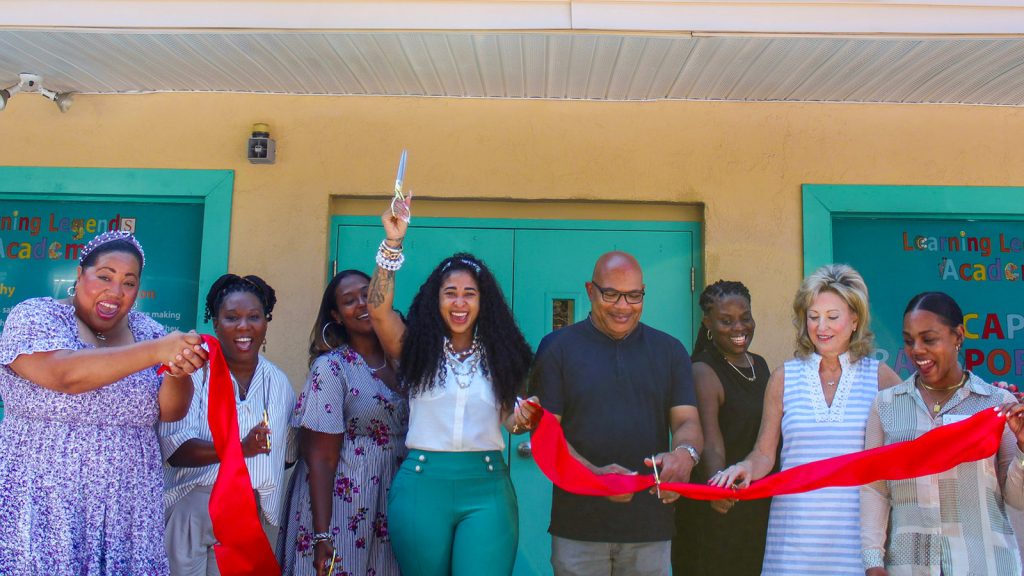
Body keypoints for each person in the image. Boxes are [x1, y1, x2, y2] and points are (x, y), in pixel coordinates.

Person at [0, 230, 206, 575]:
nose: (115, 291)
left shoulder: (149, 331)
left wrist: (178, 372)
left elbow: (170, 410)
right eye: (104, 276)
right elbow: (65, 375)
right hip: (43, 498)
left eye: (129, 282)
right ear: (80, 275)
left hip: (127, 507)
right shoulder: (36, 317)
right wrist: (157, 352)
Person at [367, 196, 538, 576]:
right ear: (436, 300)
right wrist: (392, 242)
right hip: (421, 487)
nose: (459, 303)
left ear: (483, 303)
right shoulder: (414, 349)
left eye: (469, 294)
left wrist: (526, 418)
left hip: (487, 487)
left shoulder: (502, 356)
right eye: (451, 293)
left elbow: (511, 422)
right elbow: (378, 311)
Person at [710, 263, 902, 575]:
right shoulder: (785, 377)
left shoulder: (879, 377)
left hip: (855, 542)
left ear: (855, 319)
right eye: (813, 317)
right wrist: (743, 467)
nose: (821, 327)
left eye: (832, 317)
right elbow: (764, 453)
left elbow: (919, 436)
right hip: (793, 540)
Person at [531, 250, 703, 576]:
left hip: (649, 526)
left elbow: (687, 421)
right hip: (579, 526)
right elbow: (544, 433)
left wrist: (686, 454)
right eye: (611, 294)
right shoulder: (557, 348)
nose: (623, 306)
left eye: (634, 296)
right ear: (590, 290)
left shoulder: (670, 351)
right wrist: (595, 476)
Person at [861, 291, 1024, 576]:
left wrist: (1023, 448)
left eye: (929, 339)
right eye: (909, 341)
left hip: (984, 564)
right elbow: (874, 489)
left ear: (958, 336)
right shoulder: (886, 406)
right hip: (910, 567)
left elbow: (1016, 499)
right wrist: (873, 561)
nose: (917, 350)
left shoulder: (995, 404)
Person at [160, 273, 296, 575]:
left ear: (266, 322)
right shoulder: (194, 372)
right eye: (232, 317)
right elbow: (175, 449)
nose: (244, 326)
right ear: (216, 323)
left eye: (254, 317)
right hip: (195, 505)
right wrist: (239, 448)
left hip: (249, 513)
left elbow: (286, 454)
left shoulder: (278, 382)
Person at [280, 269, 409, 576]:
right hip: (342, 500)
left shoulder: (405, 361)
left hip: (394, 496)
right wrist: (322, 534)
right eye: (349, 301)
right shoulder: (332, 368)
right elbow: (320, 458)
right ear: (336, 316)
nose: (362, 304)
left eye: (367, 294)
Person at [673, 280, 772, 576]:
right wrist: (718, 490)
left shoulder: (761, 365)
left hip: (755, 498)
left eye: (745, 318)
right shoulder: (702, 369)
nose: (739, 328)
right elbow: (711, 440)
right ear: (708, 323)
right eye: (726, 321)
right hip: (718, 502)